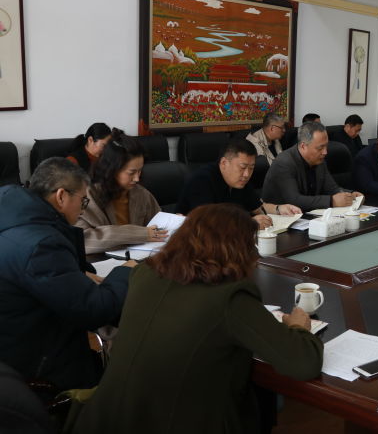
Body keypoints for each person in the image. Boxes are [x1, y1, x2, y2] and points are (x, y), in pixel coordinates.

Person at [70, 204, 323, 434]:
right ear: (237, 250)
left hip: (107, 418)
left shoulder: (144, 273)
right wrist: (298, 327)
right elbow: (303, 363)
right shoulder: (230, 298)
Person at [0, 158, 135, 393]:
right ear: (61, 196)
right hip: (37, 364)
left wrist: (78, 274)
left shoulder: (14, 217)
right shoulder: (42, 244)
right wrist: (125, 271)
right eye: (83, 200)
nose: (83, 208)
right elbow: (93, 310)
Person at [76, 130, 166, 254]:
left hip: (139, 259)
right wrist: (140, 234)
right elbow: (84, 241)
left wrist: (173, 223)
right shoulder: (86, 197)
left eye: (139, 171)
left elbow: (157, 228)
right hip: (100, 262)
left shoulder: (141, 194)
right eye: (131, 172)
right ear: (112, 169)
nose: (137, 178)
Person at [176, 138, 300, 228]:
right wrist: (249, 224)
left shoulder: (240, 181)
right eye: (242, 167)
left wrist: (279, 209)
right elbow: (207, 223)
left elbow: (258, 208)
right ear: (224, 163)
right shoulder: (201, 180)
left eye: (251, 168)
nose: (247, 174)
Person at [262, 122, 363, 211]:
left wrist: (350, 194)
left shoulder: (319, 160)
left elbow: (332, 189)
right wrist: (331, 201)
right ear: (303, 146)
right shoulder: (284, 163)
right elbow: (294, 200)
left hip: (308, 216)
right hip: (281, 219)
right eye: (320, 148)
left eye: (326, 146)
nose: (325, 152)